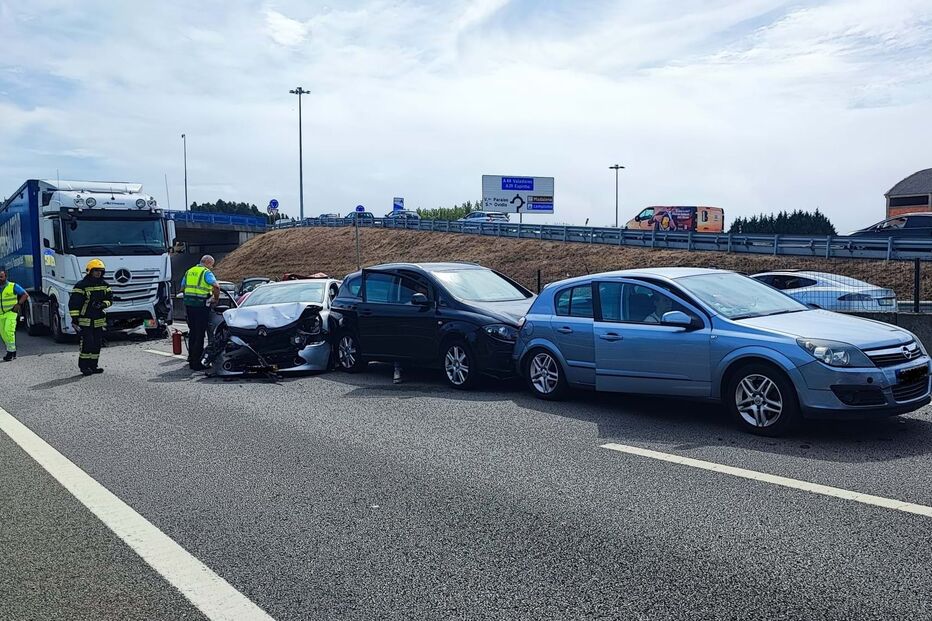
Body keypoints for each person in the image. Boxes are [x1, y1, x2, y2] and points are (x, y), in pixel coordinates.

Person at [68, 259, 112, 375]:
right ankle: (84, 366)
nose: (98, 273)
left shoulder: (105, 285)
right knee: (88, 343)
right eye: (96, 271)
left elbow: (110, 300)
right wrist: (75, 319)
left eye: (100, 271)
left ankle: (93, 366)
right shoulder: (81, 286)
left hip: (98, 320)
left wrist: (103, 304)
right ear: (90, 271)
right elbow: (74, 303)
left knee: (97, 344)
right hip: (85, 320)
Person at [181, 255, 220, 371]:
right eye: (211, 265)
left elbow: (182, 287)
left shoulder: (189, 271)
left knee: (193, 332)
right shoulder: (205, 272)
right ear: (207, 262)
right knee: (200, 334)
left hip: (189, 306)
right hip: (201, 306)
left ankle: (191, 357)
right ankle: (197, 363)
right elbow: (216, 287)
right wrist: (216, 299)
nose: (211, 267)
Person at [0, 269, 29, 361]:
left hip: (11, 312)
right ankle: (12, 349)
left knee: (9, 331)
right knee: (3, 334)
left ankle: (10, 353)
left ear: (6, 277)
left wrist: (18, 304)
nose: (0, 279)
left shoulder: (13, 286)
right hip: (1, 314)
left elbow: (25, 294)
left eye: (1, 277)